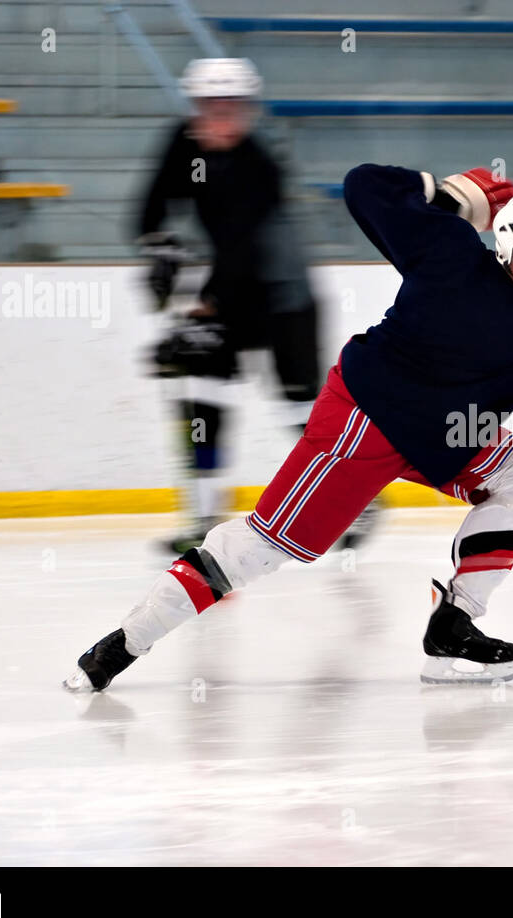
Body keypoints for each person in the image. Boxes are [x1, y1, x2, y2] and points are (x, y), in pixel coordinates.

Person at [65, 162, 513, 691]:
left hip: (449, 431)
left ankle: (454, 625)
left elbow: (367, 187)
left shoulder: (448, 248)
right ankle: (122, 646)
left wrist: (455, 194)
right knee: (259, 548)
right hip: (367, 424)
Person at [137, 57, 340, 553]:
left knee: (300, 412)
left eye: (232, 106)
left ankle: (353, 502)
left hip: (282, 298)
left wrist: (208, 304)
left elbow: (246, 250)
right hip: (231, 290)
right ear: (195, 108)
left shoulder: (257, 167)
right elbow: (152, 201)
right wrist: (158, 241)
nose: (221, 117)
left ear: (248, 111)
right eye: (210, 106)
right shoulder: (184, 145)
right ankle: (204, 516)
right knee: (200, 392)